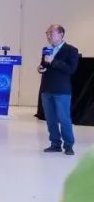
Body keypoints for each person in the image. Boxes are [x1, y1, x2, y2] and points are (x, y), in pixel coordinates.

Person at [40, 24, 80, 155]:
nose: (48, 36)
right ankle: (55, 144)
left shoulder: (71, 50)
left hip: (62, 90)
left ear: (61, 34)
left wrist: (53, 61)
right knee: (50, 119)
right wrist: (40, 68)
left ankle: (68, 146)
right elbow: (44, 65)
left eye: (51, 33)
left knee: (64, 119)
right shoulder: (46, 49)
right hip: (46, 88)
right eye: (47, 33)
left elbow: (71, 69)